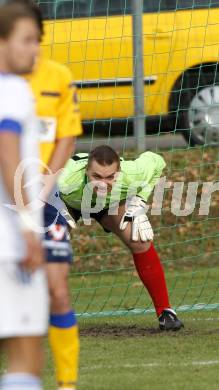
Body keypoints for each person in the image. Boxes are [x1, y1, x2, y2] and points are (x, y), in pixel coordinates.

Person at [13, 2, 83, 388]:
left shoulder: (58, 77)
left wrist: (45, 183)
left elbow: (66, 135)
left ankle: (67, 384)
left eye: (34, 36)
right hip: (6, 201)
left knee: (57, 290)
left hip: (43, 201)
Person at [58, 145, 184, 331]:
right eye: (97, 177)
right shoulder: (65, 178)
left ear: (119, 172)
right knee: (50, 246)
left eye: (110, 177)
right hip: (68, 203)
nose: (103, 183)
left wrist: (141, 198)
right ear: (86, 171)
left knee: (139, 239)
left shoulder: (132, 174)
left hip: (110, 204)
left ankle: (165, 312)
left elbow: (157, 161)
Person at [0, 2, 48, 390]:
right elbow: (8, 150)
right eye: (26, 40)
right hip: (10, 243)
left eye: (38, 41)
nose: (35, 50)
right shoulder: (13, 88)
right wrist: (30, 229)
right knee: (27, 359)